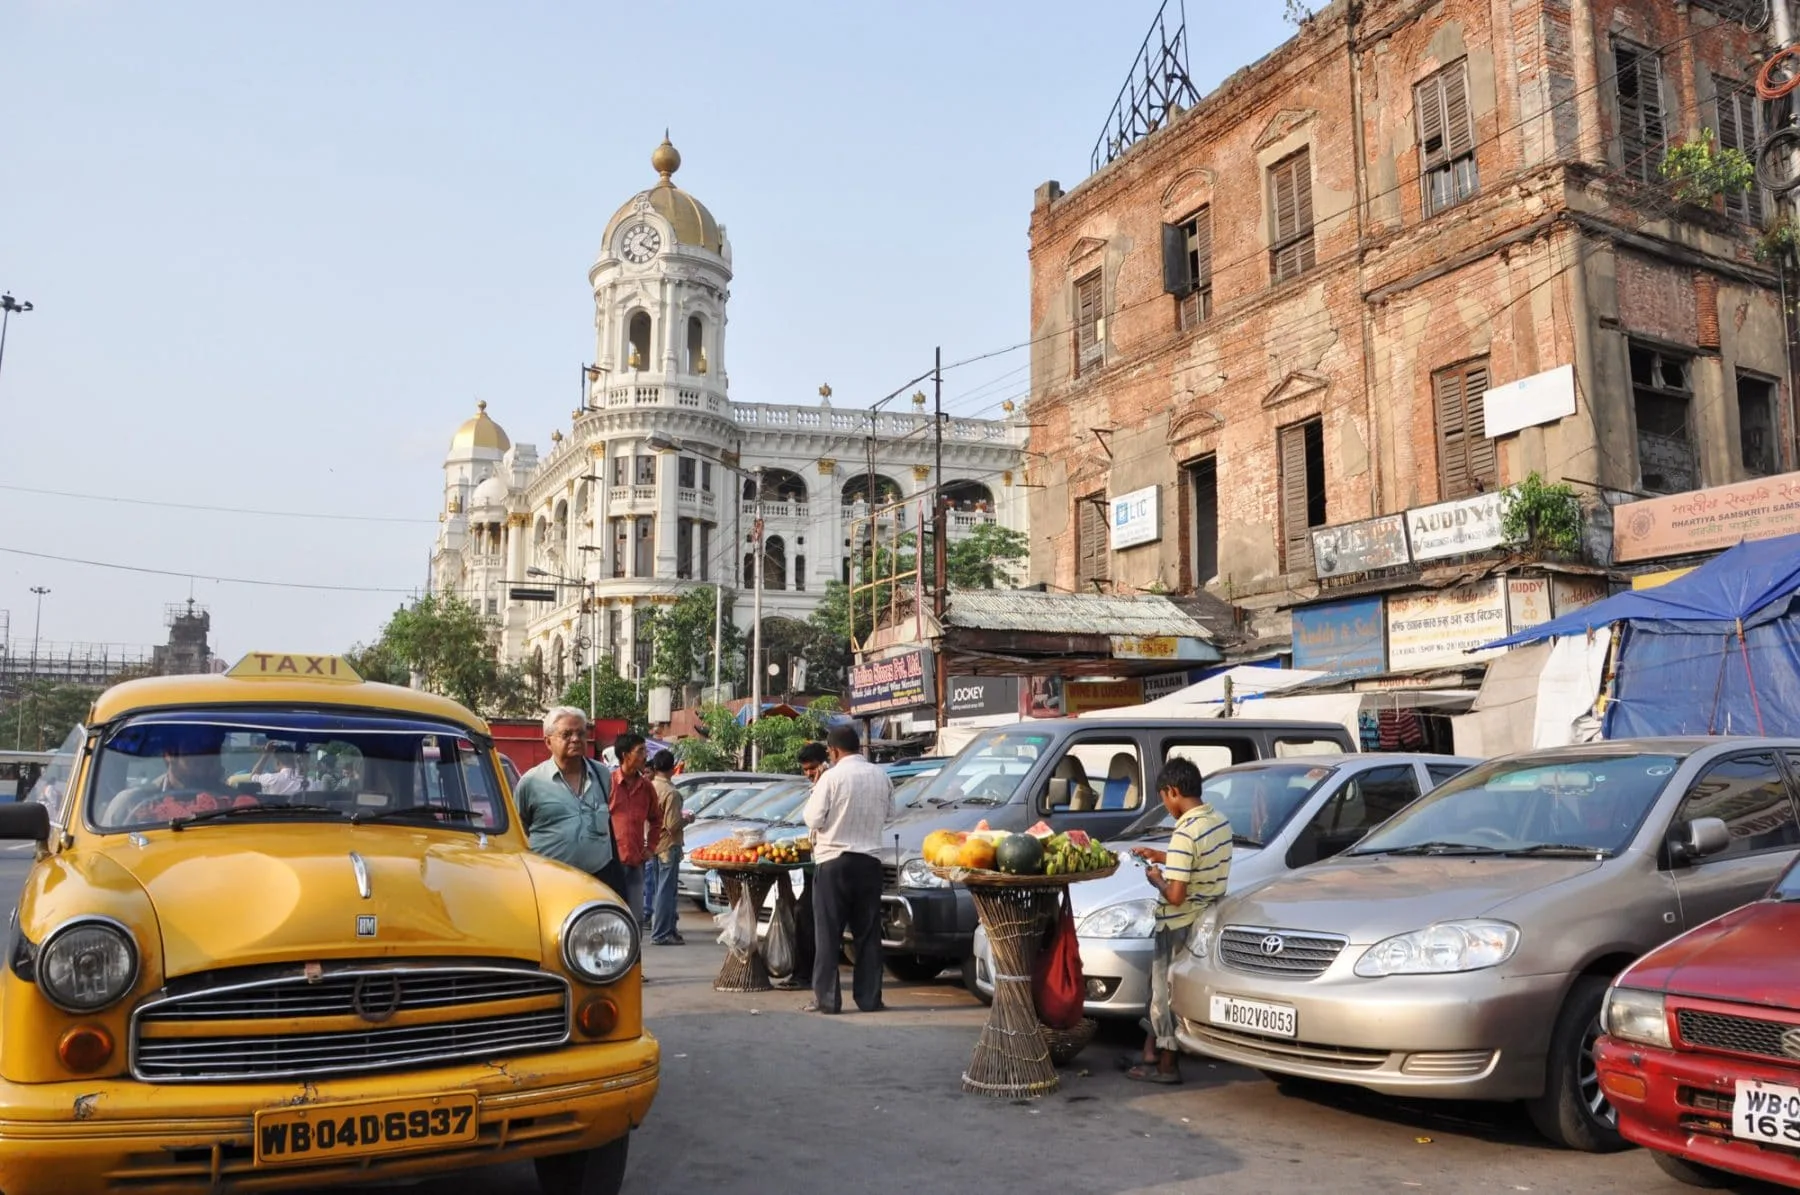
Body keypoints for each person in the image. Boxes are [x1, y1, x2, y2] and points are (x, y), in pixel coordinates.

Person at [1124, 757, 1231, 1084]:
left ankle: (1167, 1066)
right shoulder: (1218, 821)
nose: (1167, 807)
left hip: (1177, 923)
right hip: (1203, 921)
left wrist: (1157, 878)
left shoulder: (1185, 831)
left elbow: (1175, 895)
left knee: (1164, 995)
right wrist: (1161, 856)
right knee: (1167, 989)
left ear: (1172, 791)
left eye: (1164, 799)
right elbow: (1196, 861)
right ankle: (1151, 1053)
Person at [802, 725, 891, 1014]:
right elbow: (891, 814)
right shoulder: (881, 776)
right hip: (870, 862)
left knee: (828, 934)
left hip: (833, 861)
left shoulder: (831, 777)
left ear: (834, 751)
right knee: (868, 935)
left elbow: (813, 819)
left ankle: (827, 1000)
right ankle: (870, 999)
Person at [513, 707, 625, 895]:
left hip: (599, 881)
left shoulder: (602, 774)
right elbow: (519, 832)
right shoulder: (531, 782)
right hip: (550, 884)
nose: (575, 739)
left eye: (581, 733)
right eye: (566, 734)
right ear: (548, 741)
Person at [772, 741, 829, 991]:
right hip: (816, 860)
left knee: (804, 914)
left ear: (825, 762)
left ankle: (806, 975)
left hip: (828, 863)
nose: (809, 773)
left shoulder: (829, 784)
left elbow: (815, 818)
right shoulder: (817, 786)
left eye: (812, 768)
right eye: (805, 769)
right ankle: (806, 973)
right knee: (804, 914)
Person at [606, 732, 662, 932]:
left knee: (635, 921)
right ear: (625, 755)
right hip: (609, 864)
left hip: (636, 863)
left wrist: (651, 847)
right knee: (610, 919)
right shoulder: (608, 783)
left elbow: (656, 820)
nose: (645, 756)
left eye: (645, 751)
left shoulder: (647, 787)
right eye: (640, 751)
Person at [645, 749, 685, 945]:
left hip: (653, 843)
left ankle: (668, 929)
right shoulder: (671, 792)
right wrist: (687, 819)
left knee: (660, 890)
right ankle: (661, 933)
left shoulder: (649, 787)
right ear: (673, 768)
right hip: (668, 845)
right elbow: (672, 825)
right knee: (666, 891)